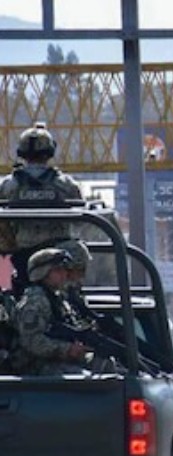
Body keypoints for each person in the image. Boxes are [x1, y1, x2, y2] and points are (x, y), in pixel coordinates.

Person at [0, 124, 83, 297]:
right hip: (60, 257)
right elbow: (79, 218)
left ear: (22, 153)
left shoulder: (8, 186)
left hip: (22, 256)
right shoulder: (66, 185)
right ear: (50, 152)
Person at [12, 248, 88, 375]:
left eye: (65, 269)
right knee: (85, 379)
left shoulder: (58, 298)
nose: (64, 274)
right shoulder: (35, 301)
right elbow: (31, 341)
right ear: (43, 273)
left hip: (56, 363)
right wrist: (67, 349)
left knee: (106, 366)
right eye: (58, 270)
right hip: (35, 367)